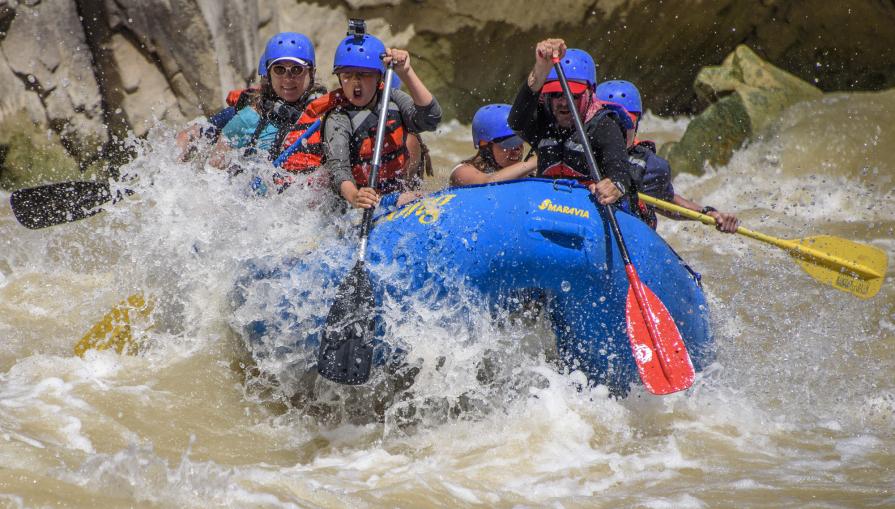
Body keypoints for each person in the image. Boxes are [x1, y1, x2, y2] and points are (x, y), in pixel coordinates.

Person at [317, 31, 442, 209]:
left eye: (364, 74)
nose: (355, 83)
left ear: (379, 77)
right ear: (339, 78)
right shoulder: (338, 118)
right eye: (347, 75)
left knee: (413, 139)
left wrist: (406, 72)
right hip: (358, 202)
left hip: (399, 191)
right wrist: (355, 196)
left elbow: (430, 119)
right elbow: (339, 170)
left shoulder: (393, 98)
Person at [595, 80, 739, 232]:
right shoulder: (575, 147)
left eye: (624, 124)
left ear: (636, 125)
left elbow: (667, 202)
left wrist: (709, 213)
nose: (616, 132)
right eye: (609, 123)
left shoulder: (649, 167)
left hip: (628, 231)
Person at [507, 40, 635, 207]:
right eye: (556, 94)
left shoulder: (604, 126)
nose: (563, 102)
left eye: (573, 96)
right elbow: (516, 122)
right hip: (546, 206)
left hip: (589, 209)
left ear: (590, 92)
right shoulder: (544, 121)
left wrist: (615, 186)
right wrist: (541, 69)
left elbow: (620, 172)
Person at [449, 104, 538, 186]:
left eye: (519, 141)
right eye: (509, 144)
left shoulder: (529, 173)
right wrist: (533, 162)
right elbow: (487, 183)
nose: (517, 149)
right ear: (485, 145)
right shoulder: (462, 171)